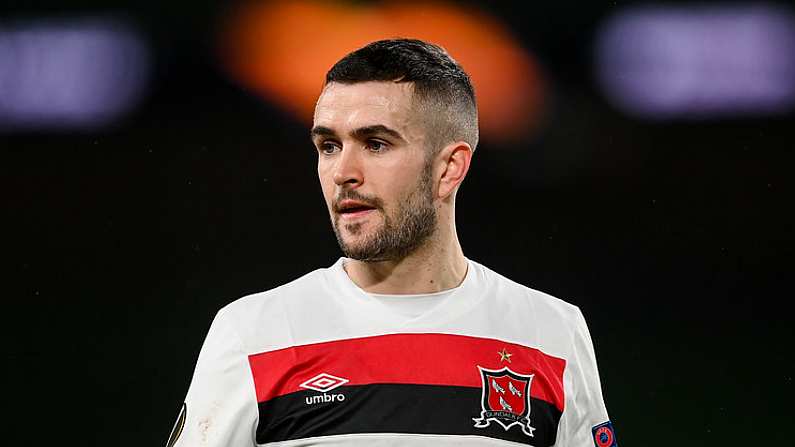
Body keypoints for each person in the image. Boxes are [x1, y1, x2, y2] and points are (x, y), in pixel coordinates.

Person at [167, 38, 616, 447]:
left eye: (376, 143)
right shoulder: (253, 333)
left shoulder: (551, 334)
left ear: (449, 169)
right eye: (328, 146)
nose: (343, 171)